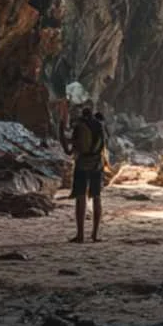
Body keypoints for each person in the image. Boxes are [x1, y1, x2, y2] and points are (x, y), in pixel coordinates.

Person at [57, 104, 107, 242]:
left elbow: (69, 150)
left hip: (82, 165)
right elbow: (103, 147)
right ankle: (95, 235)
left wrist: (61, 130)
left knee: (80, 198)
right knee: (97, 197)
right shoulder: (100, 127)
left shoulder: (80, 127)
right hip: (97, 165)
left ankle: (80, 235)